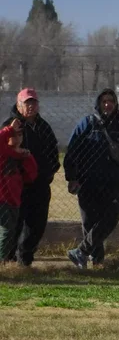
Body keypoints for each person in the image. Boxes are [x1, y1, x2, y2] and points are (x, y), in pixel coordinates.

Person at [63, 89, 119, 268]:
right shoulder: (87, 123)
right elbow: (72, 151)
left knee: (111, 218)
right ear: (98, 104)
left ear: (116, 104)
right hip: (87, 183)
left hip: (112, 183)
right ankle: (96, 262)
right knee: (89, 223)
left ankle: (82, 252)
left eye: (111, 101)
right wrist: (71, 177)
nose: (107, 104)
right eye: (104, 101)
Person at [1, 89, 60, 267]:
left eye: (33, 103)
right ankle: (8, 260)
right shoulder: (10, 125)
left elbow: (53, 151)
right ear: (18, 105)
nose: (31, 106)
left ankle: (25, 258)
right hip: (15, 185)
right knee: (14, 224)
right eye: (27, 103)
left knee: (37, 224)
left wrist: (50, 171)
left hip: (39, 183)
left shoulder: (43, 126)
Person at [1, 120, 39, 263]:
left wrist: (27, 157)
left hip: (13, 200)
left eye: (20, 135)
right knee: (6, 230)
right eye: (14, 135)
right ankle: (2, 261)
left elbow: (31, 176)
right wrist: (8, 130)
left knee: (10, 231)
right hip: (2, 199)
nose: (17, 138)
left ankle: (4, 260)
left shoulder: (21, 155)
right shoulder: (3, 152)